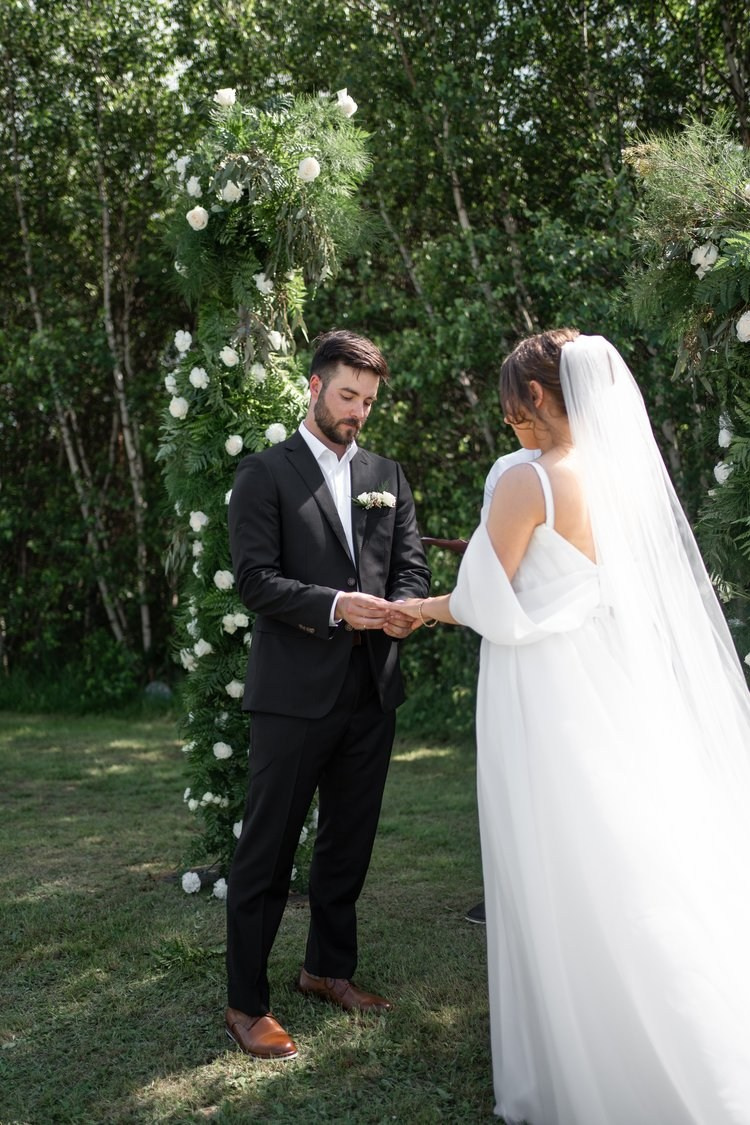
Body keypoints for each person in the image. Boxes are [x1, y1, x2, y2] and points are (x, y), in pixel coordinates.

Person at [390, 329, 750, 1124]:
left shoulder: (530, 481)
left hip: (545, 686)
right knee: (624, 845)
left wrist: (417, 606)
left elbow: (486, 596)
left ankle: (594, 1057)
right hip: (611, 677)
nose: (508, 420)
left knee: (556, 853)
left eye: (513, 405)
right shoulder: (624, 478)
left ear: (541, 397)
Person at [225, 329, 430, 1061]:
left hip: (372, 688)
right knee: (268, 848)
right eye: (348, 396)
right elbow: (254, 580)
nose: (358, 412)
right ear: (314, 387)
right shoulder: (264, 474)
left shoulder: (387, 472)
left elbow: (407, 563)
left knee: (349, 841)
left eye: (369, 400)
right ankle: (246, 1002)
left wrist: (405, 608)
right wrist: (339, 605)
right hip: (291, 695)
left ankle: (327, 969)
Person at [424, 445, 542, 928]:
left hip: (532, 641)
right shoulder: (508, 468)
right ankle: (515, 889)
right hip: (547, 638)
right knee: (523, 768)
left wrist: (418, 610)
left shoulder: (517, 474)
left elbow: (489, 581)